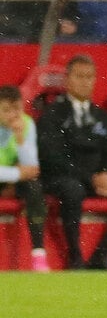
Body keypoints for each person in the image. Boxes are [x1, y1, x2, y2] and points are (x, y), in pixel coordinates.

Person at [37, 54, 107, 269]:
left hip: (98, 179)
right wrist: (90, 178)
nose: (85, 82)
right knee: (73, 190)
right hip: (64, 178)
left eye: (89, 77)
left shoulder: (101, 116)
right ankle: (75, 257)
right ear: (67, 80)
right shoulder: (52, 115)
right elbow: (53, 157)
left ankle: (102, 254)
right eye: (79, 76)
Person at [0, 85, 49, 272]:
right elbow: (24, 171)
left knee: (34, 187)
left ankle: (38, 254)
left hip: (12, 178)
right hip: (11, 175)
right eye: (6, 110)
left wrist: (20, 139)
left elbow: (31, 168)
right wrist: (17, 174)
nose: (13, 116)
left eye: (17, 110)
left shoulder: (26, 124)